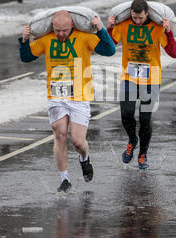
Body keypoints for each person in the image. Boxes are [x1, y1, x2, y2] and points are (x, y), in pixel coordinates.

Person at [19, 10, 115, 193]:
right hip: (56, 96)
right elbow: (26, 57)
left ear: (72, 25)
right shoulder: (47, 39)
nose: (61, 34)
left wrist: (101, 29)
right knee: (60, 134)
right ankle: (65, 179)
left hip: (80, 96)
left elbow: (109, 50)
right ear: (52, 27)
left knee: (78, 142)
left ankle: (84, 158)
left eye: (64, 30)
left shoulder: (84, 37)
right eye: (57, 31)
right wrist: (24, 41)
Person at [107, 0, 176, 170]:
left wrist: (168, 31)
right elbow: (109, 48)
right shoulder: (123, 25)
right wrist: (109, 28)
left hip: (151, 79)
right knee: (126, 114)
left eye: (140, 18)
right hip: (129, 77)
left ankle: (142, 155)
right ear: (130, 13)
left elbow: (174, 53)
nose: (137, 22)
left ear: (148, 13)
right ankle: (132, 140)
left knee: (145, 119)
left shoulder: (157, 27)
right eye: (134, 17)